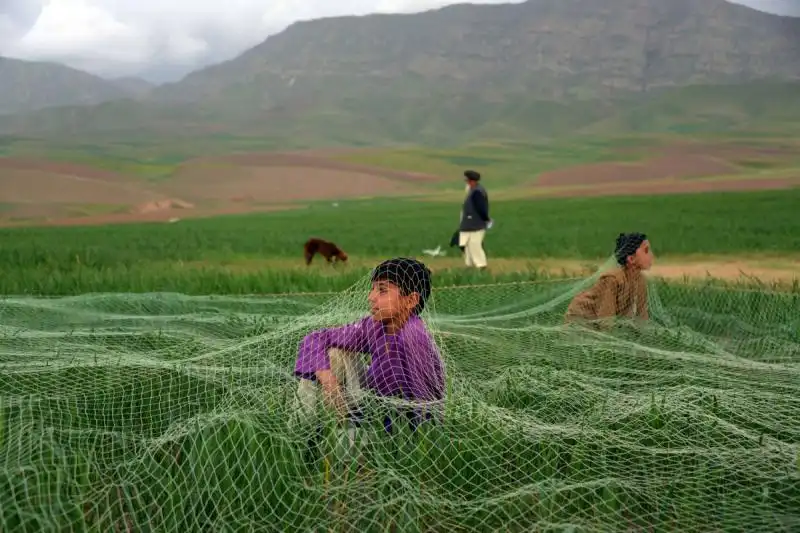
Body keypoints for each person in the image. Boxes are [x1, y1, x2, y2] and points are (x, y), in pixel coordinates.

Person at [293, 257, 445, 436]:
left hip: (396, 420)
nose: (371, 297)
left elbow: (422, 407)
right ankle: (304, 434)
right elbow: (315, 338)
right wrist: (328, 380)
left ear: (410, 300)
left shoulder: (413, 338)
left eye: (382, 291)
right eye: (372, 289)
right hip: (370, 399)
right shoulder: (374, 326)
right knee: (335, 354)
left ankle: (347, 441)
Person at [564, 232, 654, 329]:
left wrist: (644, 332)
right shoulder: (612, 279)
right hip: (580, 317)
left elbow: (641, 314)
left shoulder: (640, 280)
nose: (651, 255)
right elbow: (605, 316)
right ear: (631, 259)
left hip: (597, 320)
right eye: (646, 250)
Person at [458, 170, 491, 270]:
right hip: (468, 225)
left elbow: (481, 208)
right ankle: (470, 264)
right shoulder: (472, 190)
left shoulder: (477, 192)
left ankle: (481, 265)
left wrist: (486, 219)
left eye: (467, 180)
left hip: (476, 224)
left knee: (474, 245)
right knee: (467, 245)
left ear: (472, 181)